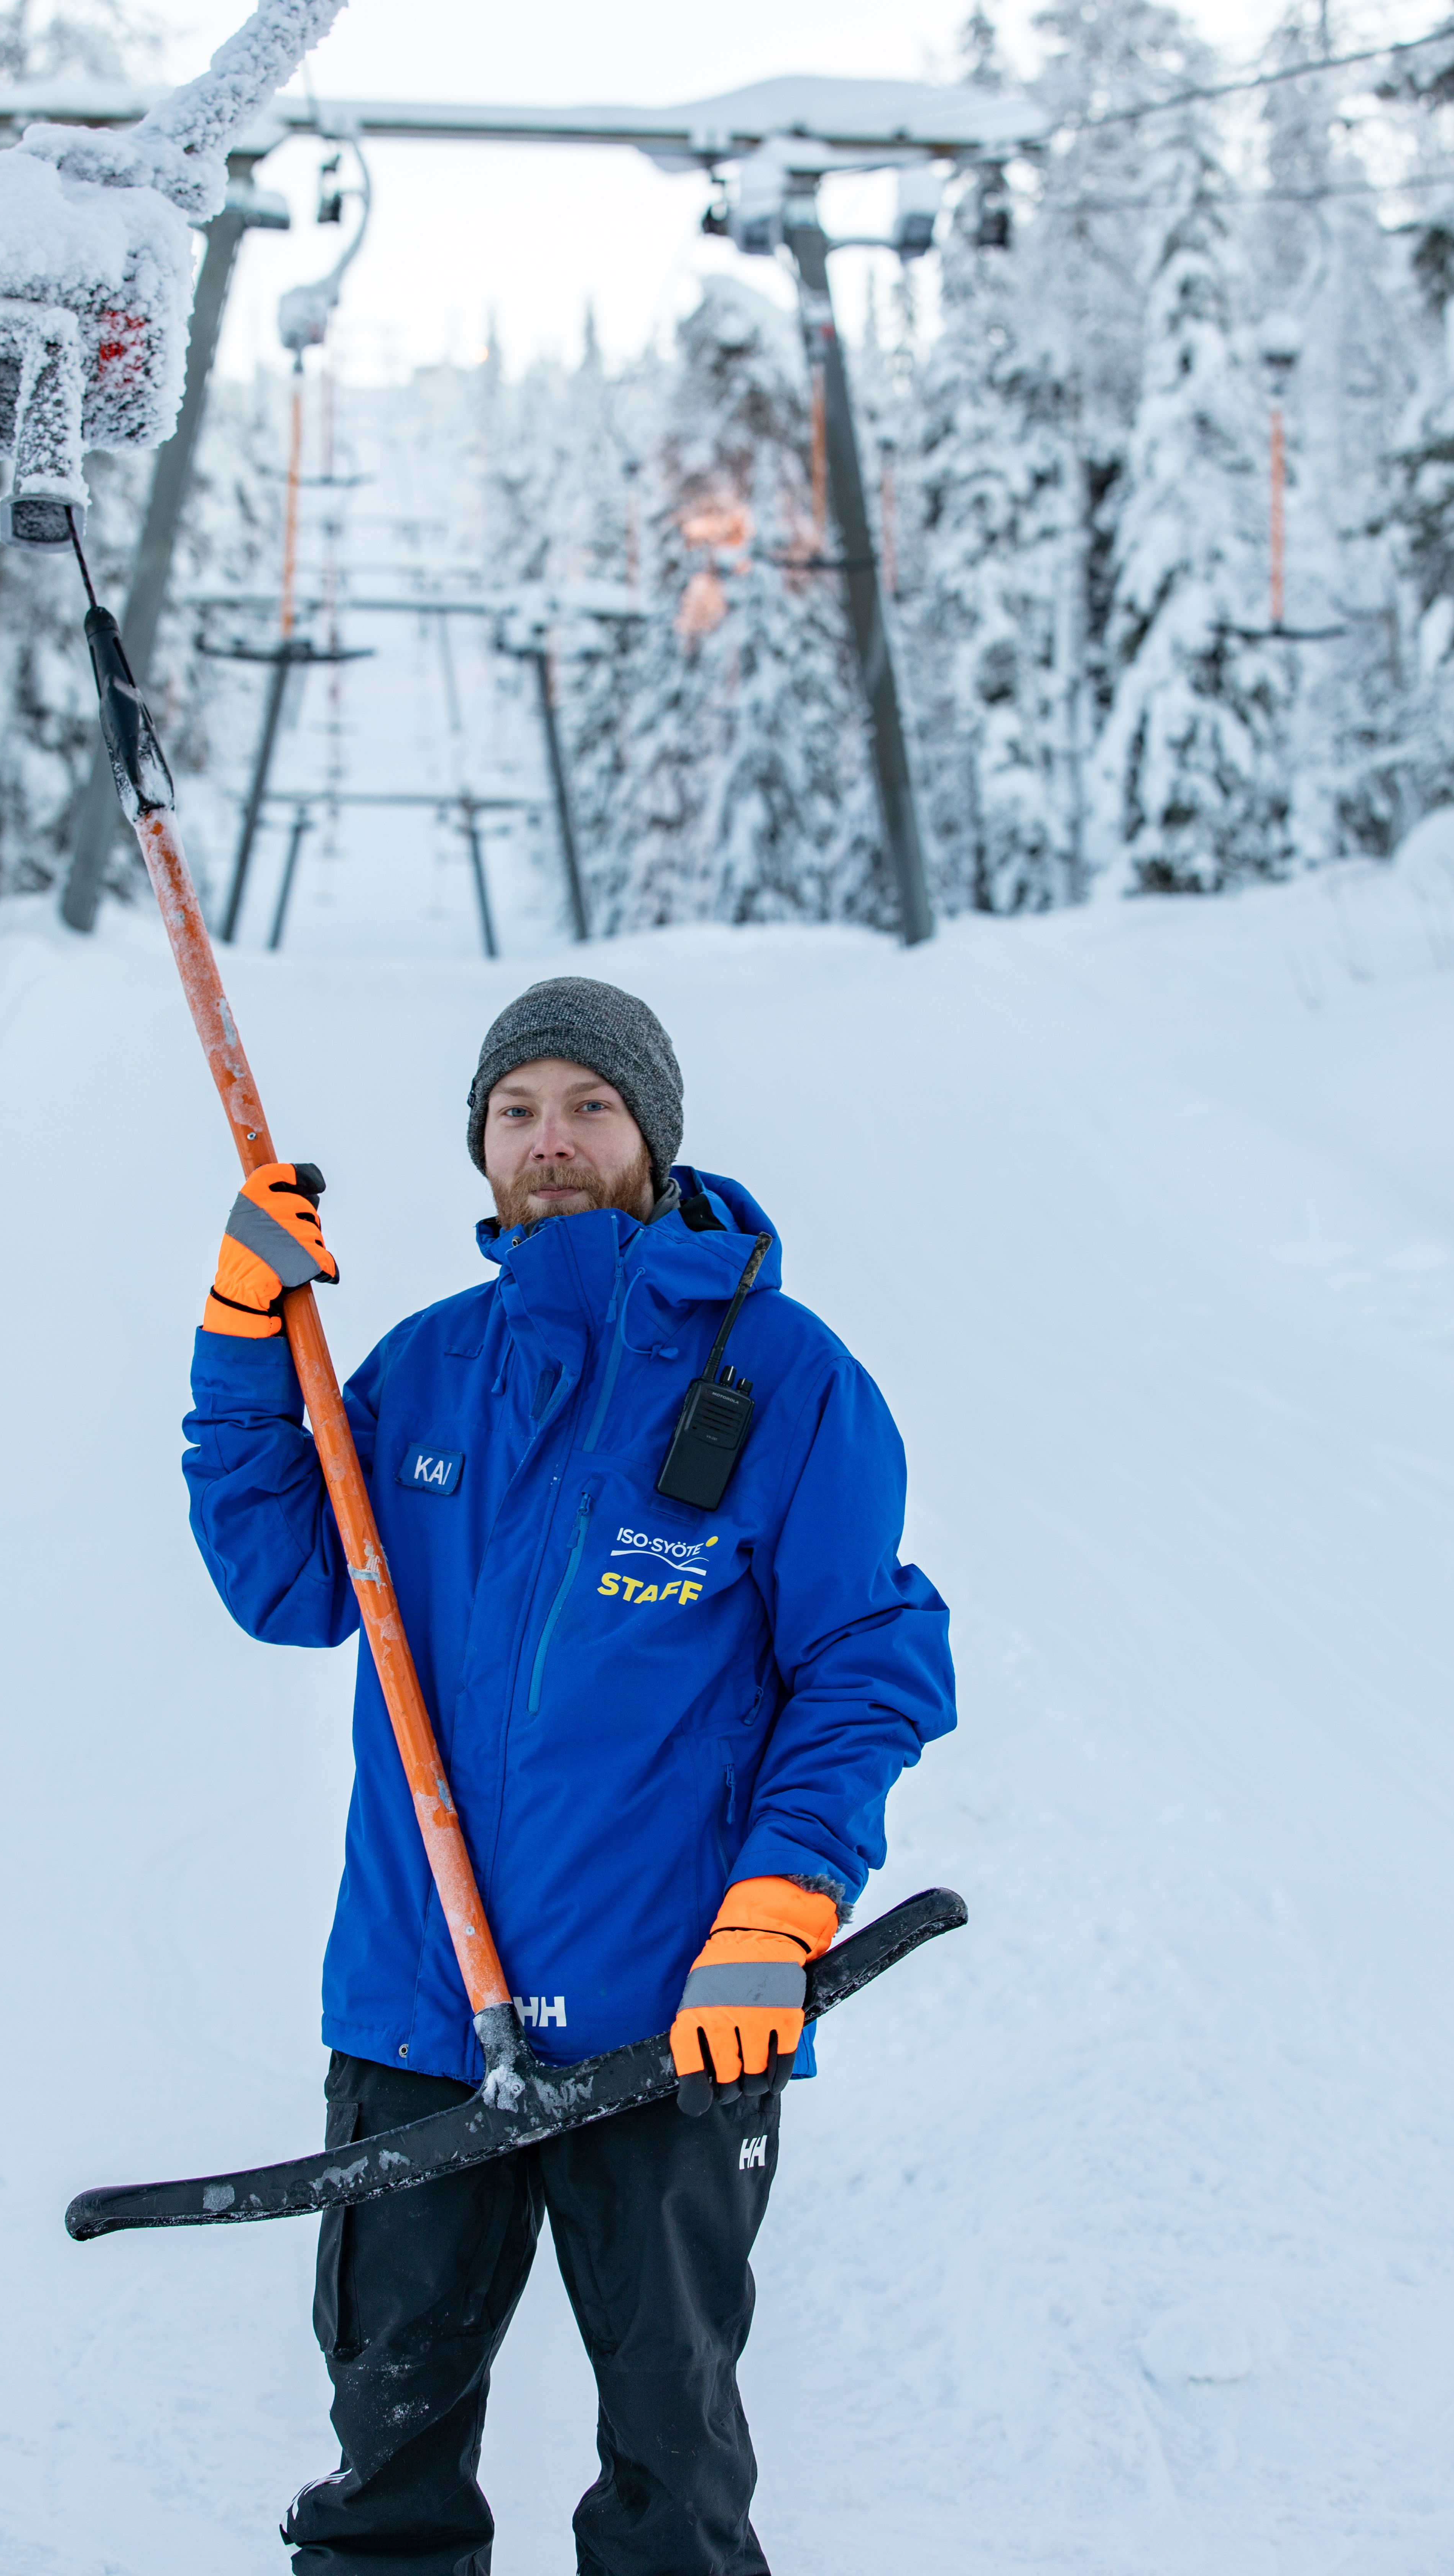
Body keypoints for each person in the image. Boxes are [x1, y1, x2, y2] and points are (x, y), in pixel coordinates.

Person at [182, 976, 955, 2576]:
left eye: (587, 1107)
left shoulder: (787, 1378)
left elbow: (869, 1661)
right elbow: (287, 1583)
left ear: (651, 1136)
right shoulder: (418, 1372)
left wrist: (778, 1905)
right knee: (385, 2463)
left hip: (670, 2022)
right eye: (516, 1110)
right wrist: (244, 1348)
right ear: (479, 1145)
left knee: (673, 2478)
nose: (550, 1140)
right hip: (415, 2007)